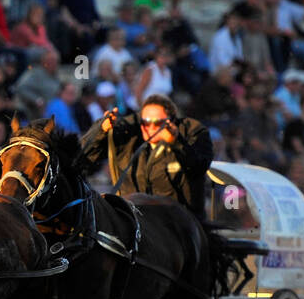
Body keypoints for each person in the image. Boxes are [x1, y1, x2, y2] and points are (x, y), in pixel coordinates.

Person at [80, 93, 214, 217]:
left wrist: (176, 143)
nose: (149, 127)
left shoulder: (193, 133)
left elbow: (198, 167)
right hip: (137, 220)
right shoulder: (130, 137)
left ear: (171, 121)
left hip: (178, 221)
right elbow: (84, 155)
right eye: (145, 122)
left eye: (157, 123)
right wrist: (101, 130)